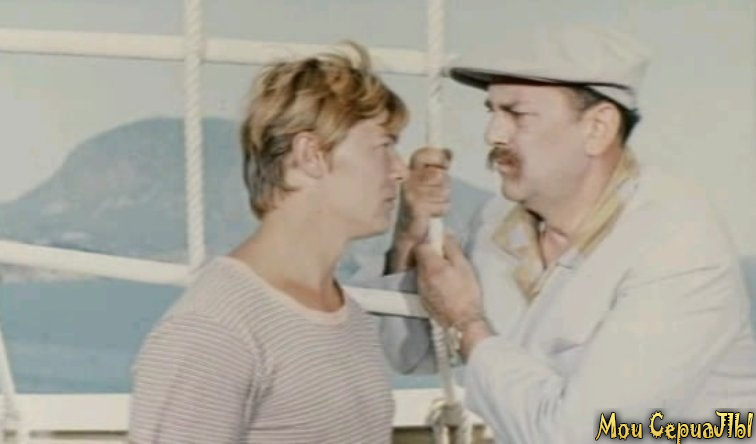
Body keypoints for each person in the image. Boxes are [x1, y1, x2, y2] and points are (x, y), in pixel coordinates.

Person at [376, 25, 756, 442]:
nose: (492, 135)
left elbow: (584, 434)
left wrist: (467, 321)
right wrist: (408, 236)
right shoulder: (499, 221)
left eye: (517, 114)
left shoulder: (678, 240)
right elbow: (411, 354)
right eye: (492, 112)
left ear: (597, 128)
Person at [129, 42, 409, 443]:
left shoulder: (348, 317)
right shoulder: (212, 331)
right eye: (384, 146)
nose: (400, 170)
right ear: (310, 155)